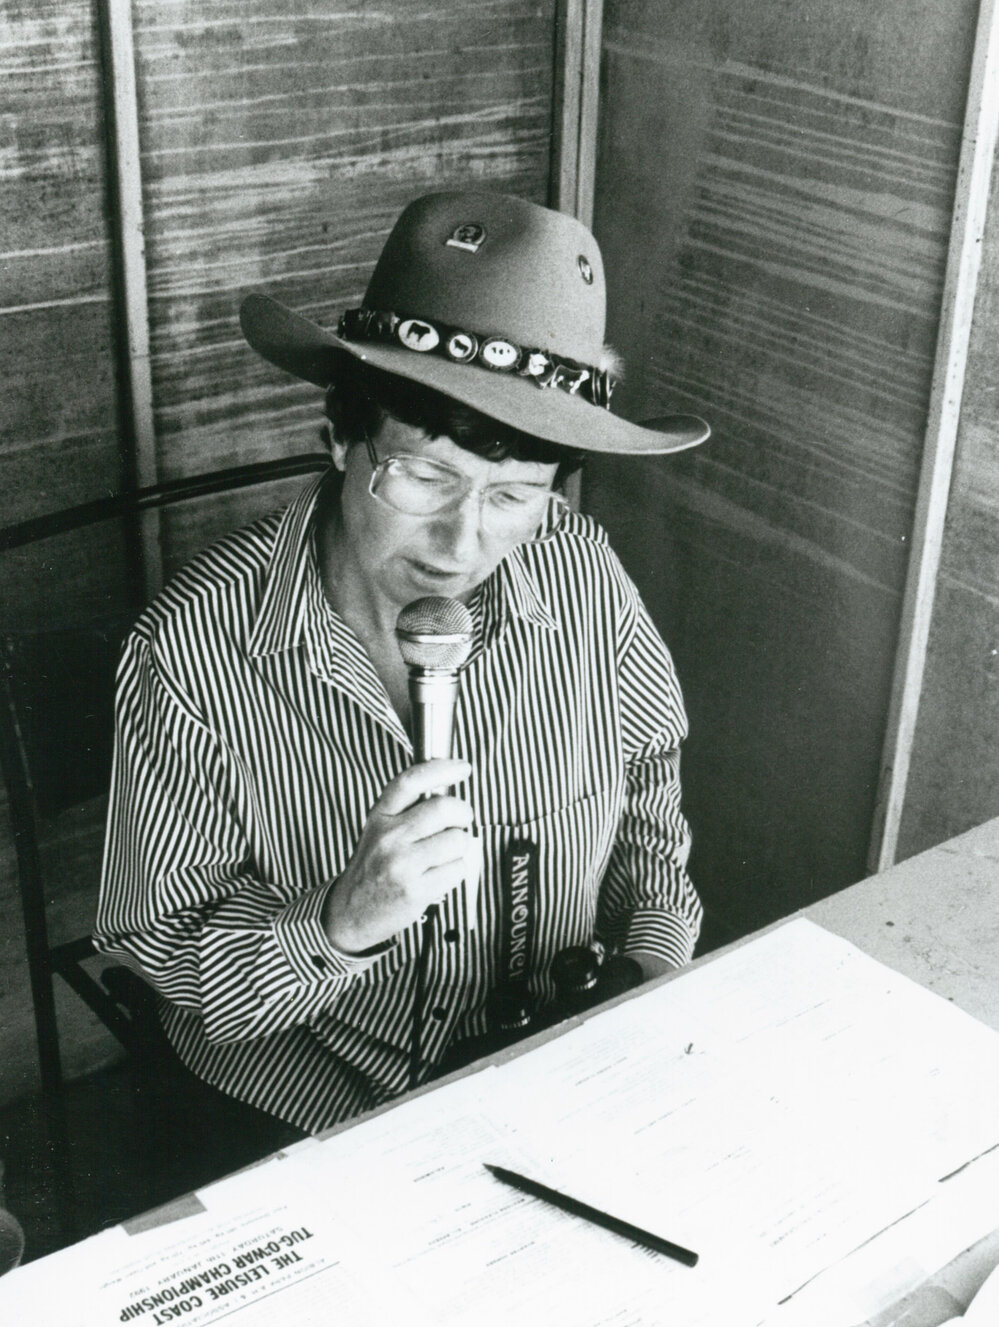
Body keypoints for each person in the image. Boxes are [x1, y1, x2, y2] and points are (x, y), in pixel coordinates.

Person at [94, 189, 708, 1181]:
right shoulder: (189, 651)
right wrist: (340, 920)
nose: (461, 545)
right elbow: (164, 951)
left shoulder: (581, 570)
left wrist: (644, 970)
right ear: (340, 436)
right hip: (307, 1103)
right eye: (424, 477)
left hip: (554, 1072)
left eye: (513, 495)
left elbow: (648, 799)